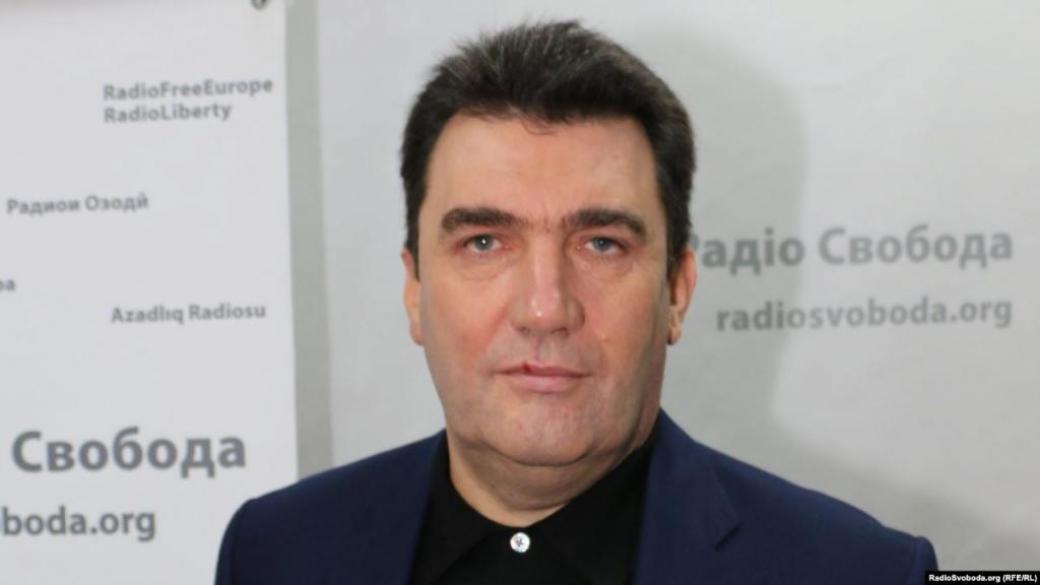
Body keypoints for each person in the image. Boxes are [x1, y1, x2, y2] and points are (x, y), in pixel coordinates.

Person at [215, 21, 937, 584]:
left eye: (601, 244)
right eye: (484, 242)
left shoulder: (867, 572)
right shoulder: (275, 551)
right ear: (414, 289)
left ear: (676, 291)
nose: (545, 307)